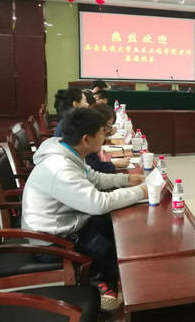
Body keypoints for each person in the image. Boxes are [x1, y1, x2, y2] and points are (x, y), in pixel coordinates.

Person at [21, 107, 148, 310]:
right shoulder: (60, 168)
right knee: (115, 257)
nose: (105, 136)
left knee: (120, 233)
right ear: (86, 139)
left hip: (70, 222)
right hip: (52, 240)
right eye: (102, 132)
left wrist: (125, 179)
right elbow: (98, 204)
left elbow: (93, 177)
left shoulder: (68, 152)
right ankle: (109, 291)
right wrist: (140, 192)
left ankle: (105, 277)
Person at [86, 103, 131, 173]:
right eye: (108, 126)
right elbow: (91, 167)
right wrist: (114, 164)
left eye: (110, 127)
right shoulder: (86, 139)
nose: (107, 131)